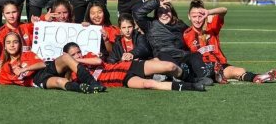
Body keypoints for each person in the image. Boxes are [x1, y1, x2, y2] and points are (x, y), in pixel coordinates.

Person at [184, 0, 276, 84]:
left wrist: (209, 12)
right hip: (203, 67)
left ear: (205, 16)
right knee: (208, 69)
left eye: (200, 16)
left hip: (220, 66)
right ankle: (217, 76)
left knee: (239, 71)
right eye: (194, 16)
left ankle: (258, 77)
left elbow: (224, 10)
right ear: (189, 16)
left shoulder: (212, 27)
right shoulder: (186, 34)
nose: (197, 19)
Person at [0, 32, 106, 93]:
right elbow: (1, 78)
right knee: (60, 82)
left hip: (45, 69)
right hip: (37, 80)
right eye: (8, 43)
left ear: (20, 44)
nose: (12, 45)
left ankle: (93, 83)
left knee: (65, 57)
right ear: (5, 47)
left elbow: (42, 64)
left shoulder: (27, 54)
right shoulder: (6, 65)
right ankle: (83, 89)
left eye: (15, 42)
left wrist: (24, 69)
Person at [133, 0, 213, 85]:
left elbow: (192, 33)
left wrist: (204, 29)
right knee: (167, 59)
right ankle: (183, 77)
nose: (164, 14)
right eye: (160, 12)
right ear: (156, 14)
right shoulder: (150, 24)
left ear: (172, 13)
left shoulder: (179, 24)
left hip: (181, 55)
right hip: (163, 55)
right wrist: (155, 2)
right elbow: (138, 14)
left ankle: (203, 75)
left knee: (195, 55)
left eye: (167, 11)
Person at [64, 42, 205, 92]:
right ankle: (191, 87)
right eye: (73, 54)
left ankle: (192, 78)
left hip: (129, 65)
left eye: (78, 52)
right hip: (121, 80)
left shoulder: (88, 56)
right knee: (149, 84)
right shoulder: (76, 75)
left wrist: (78, 60)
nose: (77, 55)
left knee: (169, 66)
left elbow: (97, 60)